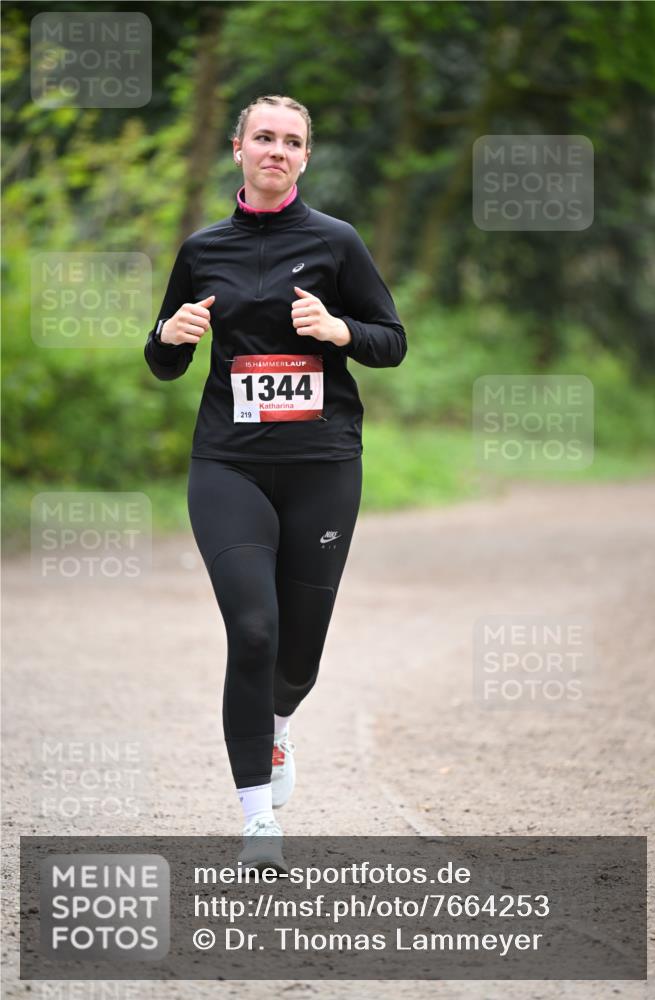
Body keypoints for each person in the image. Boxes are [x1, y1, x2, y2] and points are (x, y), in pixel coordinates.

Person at [144, 94, 407, 865]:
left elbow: (390, 341)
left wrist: (338, 331)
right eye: (263, 137)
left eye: (291, 141)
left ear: (304, 158)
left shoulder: (337, 242)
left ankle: (280, 727)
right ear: (237, 149)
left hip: (322, 466)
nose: (276, 150)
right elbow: (163, 361)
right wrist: (168, 335)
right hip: (228, 463)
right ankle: (258, 817)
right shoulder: (202, 249)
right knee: (252, 631)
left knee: (298, 659)